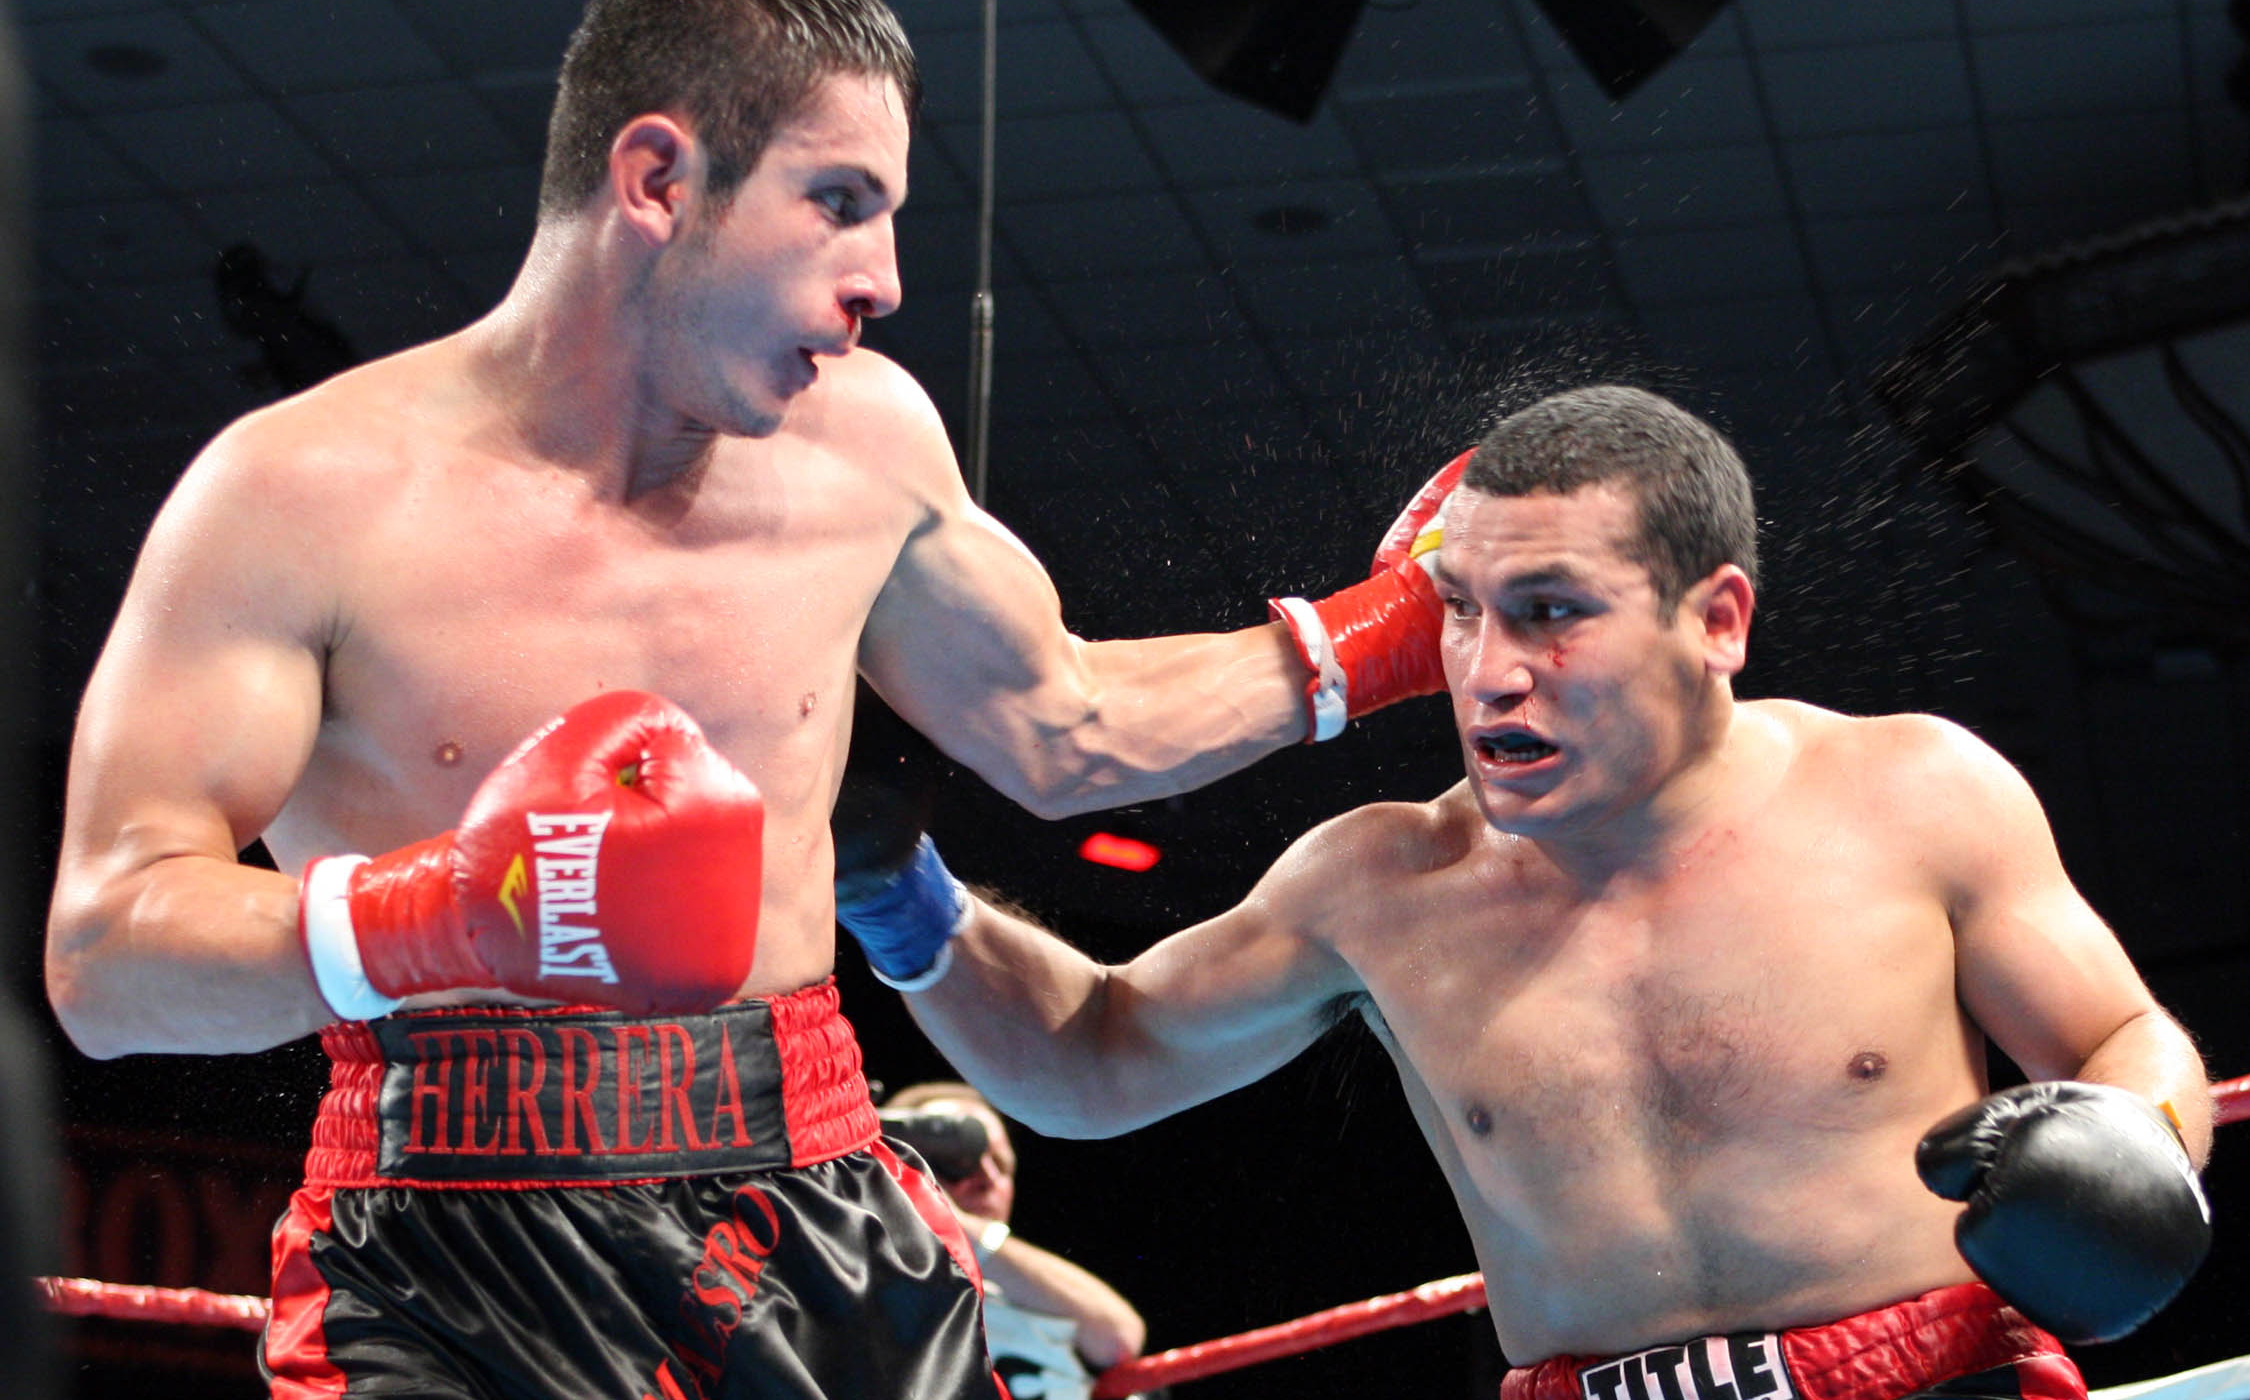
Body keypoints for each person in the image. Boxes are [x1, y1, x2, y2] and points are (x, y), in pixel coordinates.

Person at [41, 0, 1463, 1400]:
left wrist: (1391, 631)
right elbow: (104, 957)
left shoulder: (865, 442)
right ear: (658, 180)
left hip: (816, 1209)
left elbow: (1069, 727)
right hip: (455, 1260)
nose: (885, 281)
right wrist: (450, 918)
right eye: (839, 205)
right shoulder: (298, 497)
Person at [838, 385, 2215, 1400]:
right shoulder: (1379, 882)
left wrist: (2135, 1137)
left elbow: (2121, 1037)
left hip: (1930, 1381)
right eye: (1456, 609)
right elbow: (1091, 1059)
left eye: (1551, 611)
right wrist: (894, 886)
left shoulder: (1910, 794)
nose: (1486, 669)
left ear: (1716, 619)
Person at [882, 1081, 1149, 1400]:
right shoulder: (854, 1280)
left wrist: (959, 1230)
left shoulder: (1037, 1290)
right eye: (958, 1159)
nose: (987, 1178)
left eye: (1002, 1164)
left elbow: (1117, 1339)